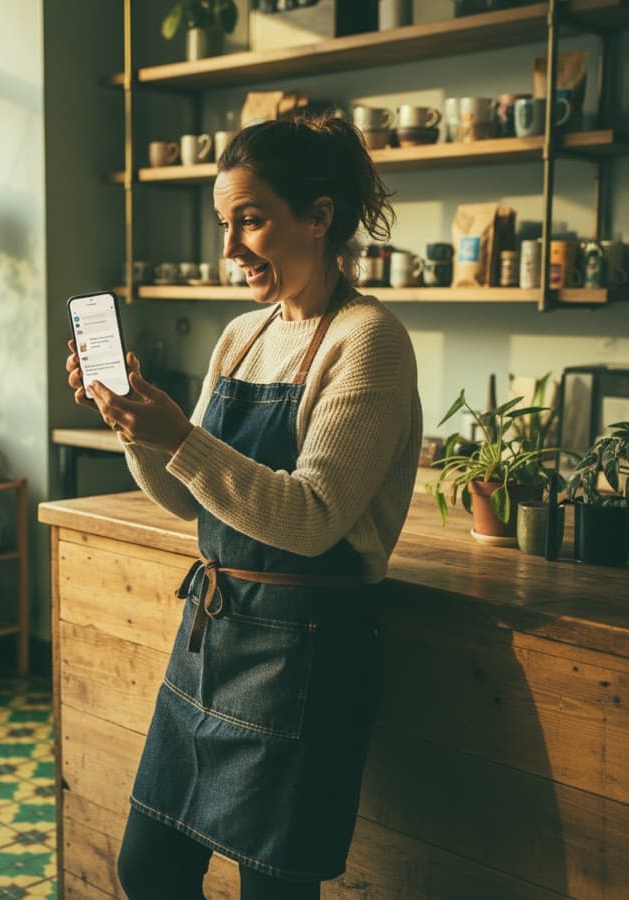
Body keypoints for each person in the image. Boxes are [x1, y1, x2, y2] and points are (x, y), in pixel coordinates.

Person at [65, 113, 422, 899]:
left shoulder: (369, 341)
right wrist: (136, 428)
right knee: (147, 870)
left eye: (251, 221)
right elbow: (185, 500)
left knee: (274, 892)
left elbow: (313, 516)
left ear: (319, 217)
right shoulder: (240, 337)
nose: (229, 250)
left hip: (308, 655)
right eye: (225, 224)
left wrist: (180, 437)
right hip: (211, 641)